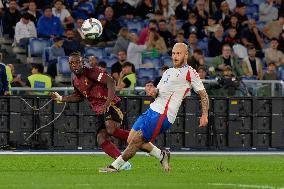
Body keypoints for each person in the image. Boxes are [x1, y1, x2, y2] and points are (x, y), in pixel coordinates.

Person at [99, 43, 209, 173]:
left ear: (186, 54)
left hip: (164, 114)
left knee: (136, 140)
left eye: (178, 53)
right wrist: (153, 91)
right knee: (131, 139)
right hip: (152, 110)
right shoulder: (168, 71)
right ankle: (161, 155)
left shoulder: (190, 72)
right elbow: (159, 91)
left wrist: (204, 114)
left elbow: (203, 95)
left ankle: (114, 167)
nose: (175, 56)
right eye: (173, 53)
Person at [51, 52, 131, 170]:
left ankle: (139, 138)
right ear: (69, 65)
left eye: (77, 62)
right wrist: (61, 98)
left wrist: (108, 103)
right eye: (72, 63)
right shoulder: (75, 81)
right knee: (101, 138)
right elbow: (79, 97)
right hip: (99, 109)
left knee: (111, 129)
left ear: (83, 63)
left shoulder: (92, 72)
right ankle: (123, 163)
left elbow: (110, 82)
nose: (75, 65)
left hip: (110, 104)